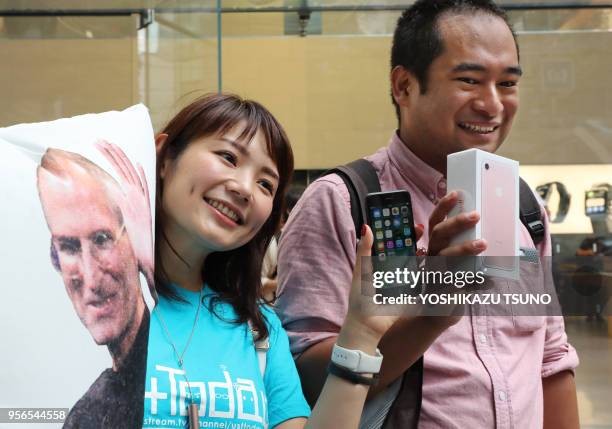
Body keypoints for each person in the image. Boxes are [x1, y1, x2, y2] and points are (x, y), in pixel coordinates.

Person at [276, 1, 580, 428]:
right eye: (470, 80)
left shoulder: (522, 206)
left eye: (507, 83)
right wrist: (435, 299)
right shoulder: (344, 202)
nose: (492, 105)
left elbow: (551, 360)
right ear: (403, 86)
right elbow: (301, 380)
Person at [142, 93, 418, 429]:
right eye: (228, 157)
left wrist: (361, 332)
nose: (244, 189)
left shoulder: (259, 329)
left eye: (265, 183)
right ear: (164, 156)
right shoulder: (87, 308)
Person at [37, 145, 155, 428]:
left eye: (103, 239)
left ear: (137, 240)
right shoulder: (87, 414)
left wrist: (154, 273)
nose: (91, 279)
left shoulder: (170, 359)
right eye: (68, 247)